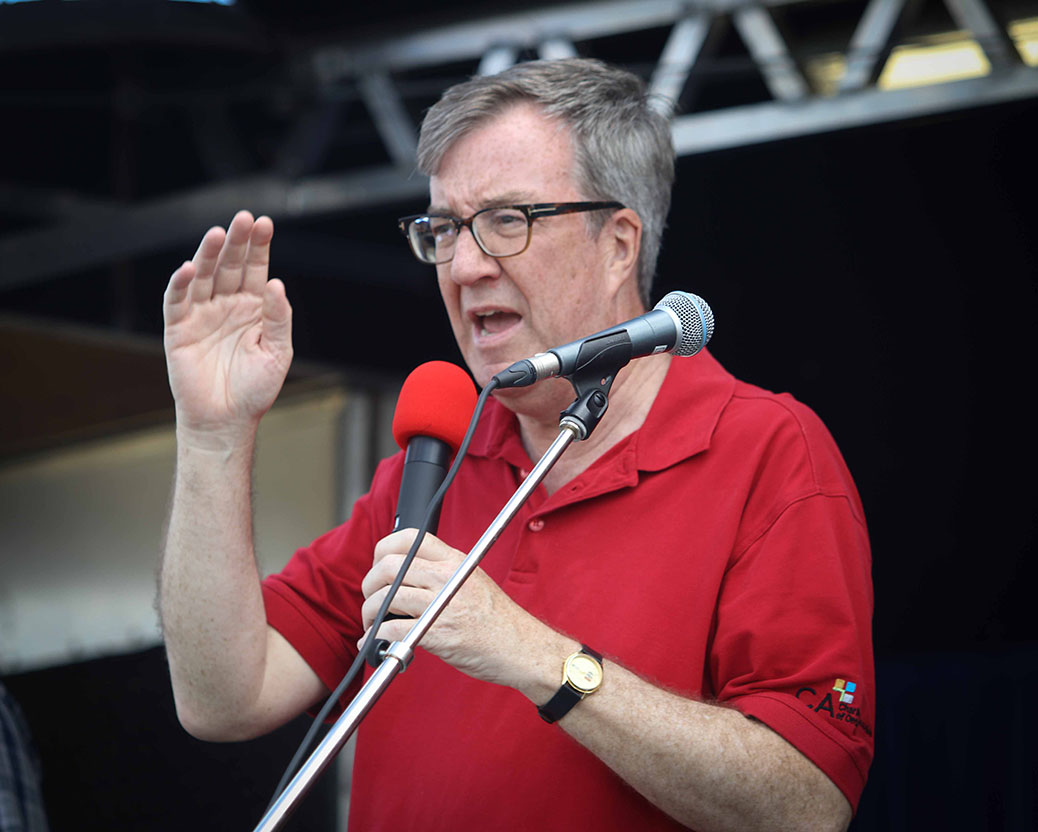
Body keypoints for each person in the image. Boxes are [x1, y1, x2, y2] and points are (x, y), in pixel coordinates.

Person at [160, 58, 873, 831]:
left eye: (509, 221)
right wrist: (213, 432)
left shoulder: (766, 450)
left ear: (618, 244)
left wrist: (528, 653)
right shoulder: (434, 465)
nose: (465, 267)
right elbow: (222, 698)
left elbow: (807, 807)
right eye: (444, 229)